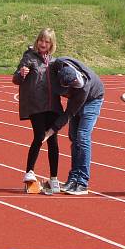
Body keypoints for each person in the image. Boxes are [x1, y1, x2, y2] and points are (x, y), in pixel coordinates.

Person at [43, 57, 105, 195]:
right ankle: (73, 178)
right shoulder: (58, 64)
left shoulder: (83, 88)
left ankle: (82, 182)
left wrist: (51, 130)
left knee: (82, 137)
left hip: (93, 99)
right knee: (73, 137)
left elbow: (69, 113)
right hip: (76, 99)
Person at [12, 28, 63, 194]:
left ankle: (54, 178)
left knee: (53, 141)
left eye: (47, 41)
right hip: (36, 105)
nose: (43, 44)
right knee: (39, 136)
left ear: (51, 44)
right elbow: (16, 79)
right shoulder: (28, 57)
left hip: (53, 105)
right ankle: (29, 172)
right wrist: (21, 74)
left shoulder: (55, 62)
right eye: (41, 40)